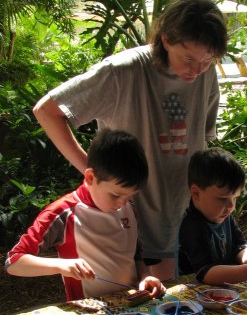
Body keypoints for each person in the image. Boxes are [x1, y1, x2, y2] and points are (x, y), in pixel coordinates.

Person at [32, 0, 228, 280]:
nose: (196, 70)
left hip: (188, 219)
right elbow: (48, 111)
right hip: (130, 220)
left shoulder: (205, 74)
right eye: (188, 58)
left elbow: (201, 142)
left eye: (207, 60)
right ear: (165, 39)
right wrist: (94, 174)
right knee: (144, 314)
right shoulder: (122, 71)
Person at [5, 128, 165, 301]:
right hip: (90, 314)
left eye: (130, 195)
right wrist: (60, 265)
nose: (122, 203)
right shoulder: (64, 213)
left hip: (132, 307)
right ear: (90, 177)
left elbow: (134, 255)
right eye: (115, 195)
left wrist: (145, 276)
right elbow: (13, 262)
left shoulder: (128, 207)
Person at [178, 147, 247, 285]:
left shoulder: (223, 215)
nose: (231, 206)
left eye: (235, 198)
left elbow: (239, 245)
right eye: (223, 199)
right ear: (196, 193)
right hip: (195, 297)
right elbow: (205, 273)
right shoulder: (192, 226)